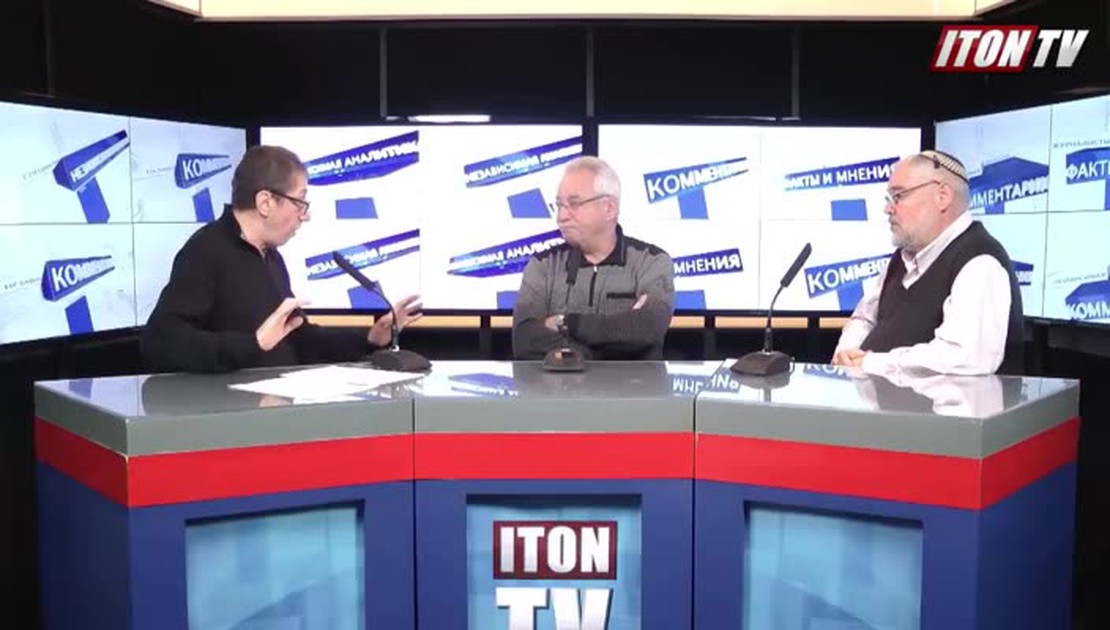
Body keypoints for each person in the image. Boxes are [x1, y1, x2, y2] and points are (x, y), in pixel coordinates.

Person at [140, 145, 422, 374]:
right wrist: (253, 344)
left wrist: (370, 338)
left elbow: (300, 338)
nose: (306, 215)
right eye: (300, 202)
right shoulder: (206, 250)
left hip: (279, 410)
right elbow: (160, 343)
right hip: (230, 417)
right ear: (265, 203)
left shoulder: (271, 257)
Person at [831, 150, 1024, 375]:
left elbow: (964, 357)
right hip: (881, 396)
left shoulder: (979, 261)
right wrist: (846, 352)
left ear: (942, 196)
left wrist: (871, 363)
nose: (888, 209)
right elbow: (865, 318)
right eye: (888, 199)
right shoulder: (901, 259)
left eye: (899, 196)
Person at [511, 156, 676, 360]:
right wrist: (612, 345)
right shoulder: (543, 266)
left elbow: (646, 328)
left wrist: (565, 323)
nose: (562, 216)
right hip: (561, 383)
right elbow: (524, 339)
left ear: (609, 208)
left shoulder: (651, 262)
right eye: (559, 205)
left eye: (574, 203)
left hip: (633, 383)